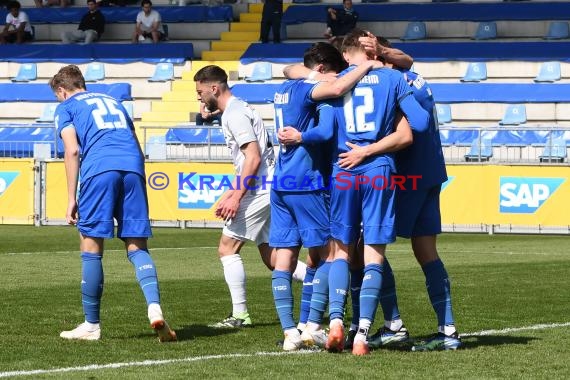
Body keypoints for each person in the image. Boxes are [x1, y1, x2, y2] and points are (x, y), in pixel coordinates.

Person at [272, 42, 389, 351]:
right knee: (332, 255)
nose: (338, 79)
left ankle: (290, 331)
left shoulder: (284, 88)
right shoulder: (316, 92)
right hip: (309, 181)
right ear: (322, 70)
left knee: (288, 259)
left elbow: (290, 69)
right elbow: (326, 126)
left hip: (281, 180)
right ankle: (314, 324)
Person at [50, 65, 176, 342]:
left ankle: (91, 325)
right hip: (132, 169)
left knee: (91, 244)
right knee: (137, 245)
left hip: (99, 170)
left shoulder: (66, 106)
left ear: (61, 90)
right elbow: (136, 144)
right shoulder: (114, 102)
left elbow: (72, 150)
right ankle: (154, 306)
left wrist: (71, 198)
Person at [360, 36, 463, 352]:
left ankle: (393, 326)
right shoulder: (413, 76)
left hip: (409, 176)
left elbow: (405, 135)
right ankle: (448, 332)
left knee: (370, 246)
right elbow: (408, 58)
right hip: (432, 173)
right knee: (426, 252)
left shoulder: (392, 81)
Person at [194, 65, 284, 328]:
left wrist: (236, 197)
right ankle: (323, 283)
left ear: (214, 88)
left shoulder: (234, 114)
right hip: (268, 184)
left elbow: (253, 157)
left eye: (200, 92)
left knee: (227, 248)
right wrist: (232, 192)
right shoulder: (237, 109)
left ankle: (240, 315)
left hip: (260, 187)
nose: (198, 97)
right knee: (273, 257)